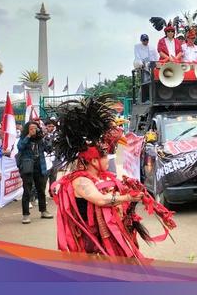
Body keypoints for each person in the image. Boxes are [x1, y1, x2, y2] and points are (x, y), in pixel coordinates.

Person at [51, 95, 176, 260]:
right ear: (94, 160)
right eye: (104, 156)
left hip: (111, 236)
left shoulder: (104, 177)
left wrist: (131, 189)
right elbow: (101, 200)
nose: (108, 158)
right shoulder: (81, 181)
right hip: (93, 242)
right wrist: (128, 197)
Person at [16, 121, 53, 224]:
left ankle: (43, 211)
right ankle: (26, 215)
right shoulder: (23, 138)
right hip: (27, 167)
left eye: (35, 128)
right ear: (27, 129)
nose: (33, 130)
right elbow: (20, 147)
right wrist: (28, 136)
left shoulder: (40, 139)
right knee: (27, 191)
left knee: (41, 189)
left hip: (39, 166)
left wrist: (48, 138)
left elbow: (48, 149)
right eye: (31, 128)